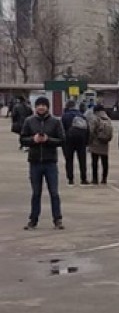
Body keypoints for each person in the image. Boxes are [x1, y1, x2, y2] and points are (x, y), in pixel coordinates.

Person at [20, 96, 66, 230]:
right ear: (35, 107)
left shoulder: (55, 122)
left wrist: (48, 140)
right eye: (38, 105)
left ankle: (57, 219)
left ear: (47, 107)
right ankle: (33, 219)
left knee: (54, 192)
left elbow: (62, 140)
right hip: (34, 162)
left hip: (50, 162)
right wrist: (33, 139)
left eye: (43, 105)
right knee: (36, 193)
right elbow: (22, 139)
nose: (41, 107)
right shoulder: (29, 121)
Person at [61, 100, 90, 186]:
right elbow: (87, 129)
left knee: (69, 159)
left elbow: (62, 129)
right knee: (82, 159)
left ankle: (70, 179)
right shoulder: (81, 115)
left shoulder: (65, 116)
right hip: (81, 140)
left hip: (68, 140)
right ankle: (83, 179)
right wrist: (87, 141)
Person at [88, 104, 114, 185]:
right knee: (105, 162)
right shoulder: (108, 118)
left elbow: (91, 131)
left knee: (95, 162)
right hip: (105, 143)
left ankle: (95, 179)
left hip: (96, 143)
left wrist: (89, 142)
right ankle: (104, 179)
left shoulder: (95, 118)